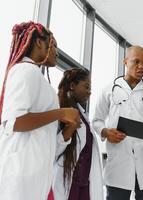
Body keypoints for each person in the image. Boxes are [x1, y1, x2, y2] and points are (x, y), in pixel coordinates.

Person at [0, 21, 80, 200]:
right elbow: (14, 121)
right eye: (54, 45)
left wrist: (68, 128)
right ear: (39, 42)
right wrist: (61, 113)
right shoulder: (24, 71)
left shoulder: (35, 76)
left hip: (34, 177)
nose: (57, 52)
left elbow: (42, 136)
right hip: (20, 178)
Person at [92, 45, 143, 200]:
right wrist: (105, 132)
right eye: (136, 62)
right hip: (119, 163)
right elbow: (97, 120)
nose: (141, 67)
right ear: (125, 62)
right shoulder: (109, 90)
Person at [53, 68, 104, 200]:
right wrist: (70, 129)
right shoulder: (58, 110)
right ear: (72, 85)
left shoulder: (81, 114)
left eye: (90, 87)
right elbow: (52, 150)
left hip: (85, 183)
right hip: (68, 182)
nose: (90, 92)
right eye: (86, 86)